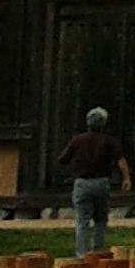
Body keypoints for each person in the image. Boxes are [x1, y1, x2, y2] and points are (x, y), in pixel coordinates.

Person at [55, 107, 121, 257]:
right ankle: (98, 252)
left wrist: (75, 167)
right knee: (100, 219)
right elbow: (120, 160)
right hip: (102, 182)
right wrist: (126, 178)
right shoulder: (108, 141)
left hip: (83, 182)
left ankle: (82, 255)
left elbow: (62, 159)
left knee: (82, 221)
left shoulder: (77, 140)